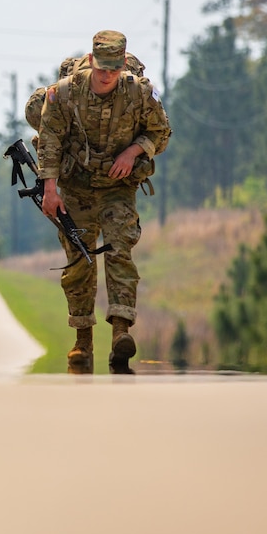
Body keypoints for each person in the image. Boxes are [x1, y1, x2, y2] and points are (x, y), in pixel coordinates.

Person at [36, 30, 172, 373]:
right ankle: (82, 340)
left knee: (119, 250)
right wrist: (49, 189)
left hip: (118, 185)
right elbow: (49, 138)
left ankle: (121, 333)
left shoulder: (141, 93)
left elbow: (161, 132)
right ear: (92, 61)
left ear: (123, 63)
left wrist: (134, 150)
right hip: (77, 184)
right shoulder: (65, 93)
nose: (106, 75)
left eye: (113, 68)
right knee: (79, 258)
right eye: (101, 68)